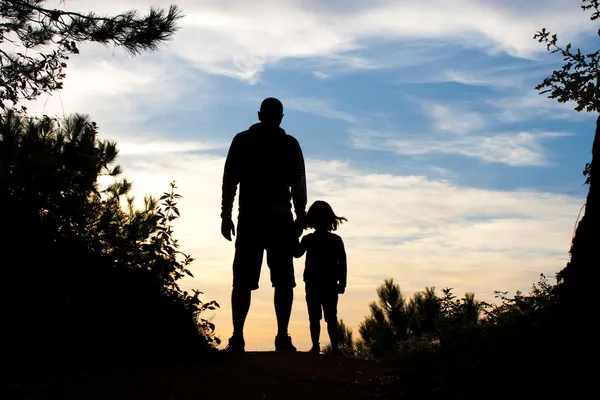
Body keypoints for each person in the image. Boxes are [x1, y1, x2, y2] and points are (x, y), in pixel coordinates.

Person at [220, 97, 307, 353]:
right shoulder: (288, 144)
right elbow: (299, 184)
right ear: (281, 117)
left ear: (260, 114)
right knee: (279, 281)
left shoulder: (244, 140)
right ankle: (279, 336)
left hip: (253, 218)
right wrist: (301, 215)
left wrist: (225, 214)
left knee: (248, 281)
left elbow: (229, 181)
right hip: (275, 219)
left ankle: (240, 337)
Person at [294, 200, 347, 355]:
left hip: (317, 284)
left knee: (317, 317)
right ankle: (333, 347)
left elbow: (296, 252)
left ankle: (319, 346)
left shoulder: (309, 239)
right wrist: (342, 283)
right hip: (325, 284)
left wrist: (293, 234)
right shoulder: (334, 240)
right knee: (328, 316)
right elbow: (343, 263)